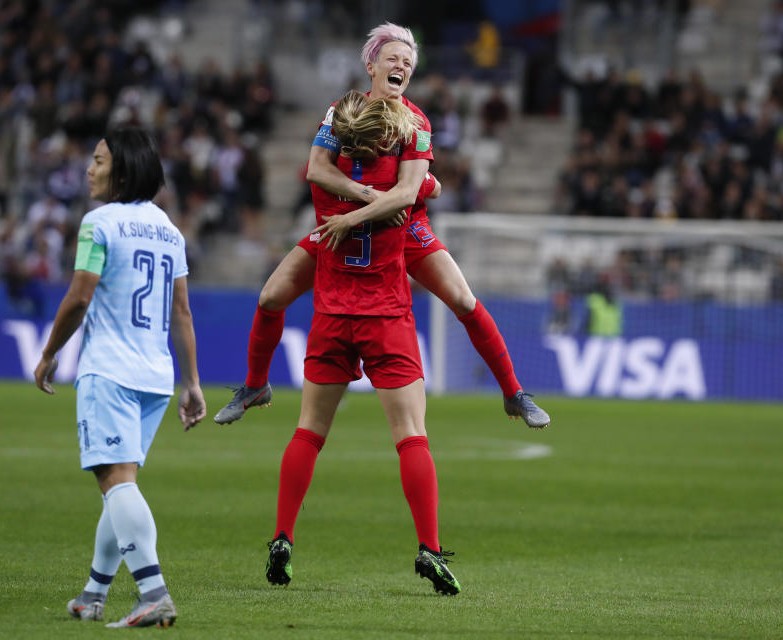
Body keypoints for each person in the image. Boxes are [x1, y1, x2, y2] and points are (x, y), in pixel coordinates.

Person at [214, 22, 549, 429]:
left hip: (403, 230)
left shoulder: (417, 121)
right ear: (372, 65)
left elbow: (413, 192)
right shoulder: (343, 111)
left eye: (408, 62)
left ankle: (514, 393)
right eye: (393, 58)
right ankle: (254, 385)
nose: (401, 66)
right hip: (348, 229)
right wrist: (376, 196)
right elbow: (319, 170)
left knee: (463, 299)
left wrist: (411, 191)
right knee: (270, 297)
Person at [264, 90, 460, 596]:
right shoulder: (400, 191)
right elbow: (421, 188)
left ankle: (283, 536)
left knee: (308, 430)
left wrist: (350, 208)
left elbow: (317, 168)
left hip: (331, 313)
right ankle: (429, 548)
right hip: (385, 316)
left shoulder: (328, 185)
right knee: (411, 434)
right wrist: (423, 184)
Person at [32, 127, 205, 628]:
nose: (90, 168)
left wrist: (48, 354)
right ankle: (93, 595)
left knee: (116, 484)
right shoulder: (169, 230)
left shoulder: (98, 223)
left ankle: (153, 593)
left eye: (99, 161)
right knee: (120, 483)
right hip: (156, 376)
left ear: (123, 172)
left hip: (109, 370)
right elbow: (183, 312)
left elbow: (80, 297)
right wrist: (192, 382)